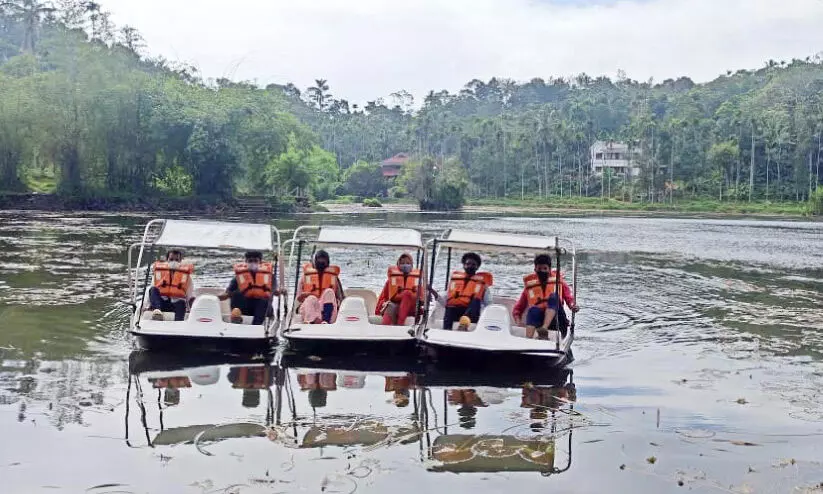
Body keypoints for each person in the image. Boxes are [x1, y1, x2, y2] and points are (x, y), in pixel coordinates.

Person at [512, 253, 578, 339]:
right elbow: (518, 308)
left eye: (545, 268)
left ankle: (544, 328)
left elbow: (569, 298)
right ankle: (528, 340)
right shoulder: (530, 287)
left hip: (557, 321)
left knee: (554, 297)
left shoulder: (559, 283)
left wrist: (573, 306)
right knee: (533, 309)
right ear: (535, 269)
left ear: (549, 269)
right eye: (539, 268)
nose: (542, 271)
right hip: (538, 322)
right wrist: (518, 321)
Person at [429, 252, 493, 331]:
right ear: (464, 265)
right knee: (450, 306)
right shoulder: (455, 282)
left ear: (477, 267)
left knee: (476, 300)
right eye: (468, 264)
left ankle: (463, 325)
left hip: (472, 316)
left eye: (473, 264)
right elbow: (445, 302)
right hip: (455, 313)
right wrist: (432, 292)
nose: (470, 266)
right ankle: (446, 331)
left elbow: (488, 304)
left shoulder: (483, 285)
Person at [219, 251, 278, 325]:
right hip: (245, 309)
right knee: (237, 294)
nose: (253, 263)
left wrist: (280, 291)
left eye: (255, 261)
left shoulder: (269, 277)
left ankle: (256, 326)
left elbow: (273, 292)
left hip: (263, 310)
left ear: (260, 262)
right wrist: (215, 297)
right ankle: (236, 319)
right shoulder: (239, 277)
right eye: (250, 261)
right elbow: (227, 294)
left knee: (264, 299)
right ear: (246, 262)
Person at [297, 250, 344, 324]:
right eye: (319, 260)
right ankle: (314, 321)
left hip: (328, 311)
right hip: (310, 309)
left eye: (324, 260)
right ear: (315, 261)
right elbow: (299, 298)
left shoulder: (334, 278)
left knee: (329, 292)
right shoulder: (304, 277)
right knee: (311, 298)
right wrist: (308, 294)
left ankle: (325, 320)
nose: (321, 262)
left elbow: (341, 298)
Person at [375, 253, 424, 325]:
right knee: (390, 306)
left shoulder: (417, 281)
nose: (405, 265)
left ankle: (399, 325)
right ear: (398, 265)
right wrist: (380, 309)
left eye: (408, 263)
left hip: (412, 308)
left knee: (407, 294)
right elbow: (384, 297)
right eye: (402, 263)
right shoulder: (390, 281)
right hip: (395, 306)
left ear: (412, 265)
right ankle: (384, 330)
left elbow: (422, 299)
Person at [147, 249, 194, 321]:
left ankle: (178, 324)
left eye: (176, 260)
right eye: (171, 259)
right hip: (161, 304)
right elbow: (152, 293)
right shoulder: (159, 273)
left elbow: (189, 296)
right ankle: (157, 313)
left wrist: (190, 309)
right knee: (153, 289)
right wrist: (148, 306)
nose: (174, 262)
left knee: (182, 302)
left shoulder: (186, 277)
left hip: (176, 305)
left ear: (180, 261)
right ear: (167, 260)